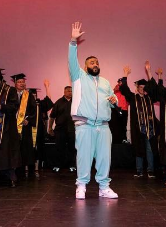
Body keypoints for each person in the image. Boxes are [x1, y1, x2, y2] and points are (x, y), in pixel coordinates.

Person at [69, 22, 118, 199]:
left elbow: (114, 99)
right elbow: (72, 61)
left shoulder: (105, 82)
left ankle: (104, 187)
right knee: (84, 157)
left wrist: (115, 100)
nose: (95, 64)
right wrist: (73, 42)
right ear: (85, 66)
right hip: (85, 124)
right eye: (91, 62)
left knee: (105, 159)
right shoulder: (79, 77)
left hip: (104, 126)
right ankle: (81, 185)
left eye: (97, 62)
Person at [119, 64, 158, 179]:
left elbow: (154, 87)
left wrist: (149, 71)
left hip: (150, 129)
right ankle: (139, 170)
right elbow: (124, 89)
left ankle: (150, 170)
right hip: (138, 129)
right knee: (138, 150)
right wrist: (125, 74)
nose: (142, 89)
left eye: (144, 87)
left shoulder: (149, 98)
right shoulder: (133, 98)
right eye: (140, 87)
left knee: (150, 150)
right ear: (137, 88)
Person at [48, 82, 76, 173]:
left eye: (71, 91)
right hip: (60, 129)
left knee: (72, 148)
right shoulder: (58, 102)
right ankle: (58, 165)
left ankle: (72, 165)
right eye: (68, 91)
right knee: (59, 148)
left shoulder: (76, 102)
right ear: (64, 92)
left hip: (72, 129)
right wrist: (50, 128)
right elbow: (52, 116)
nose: (70, 93)